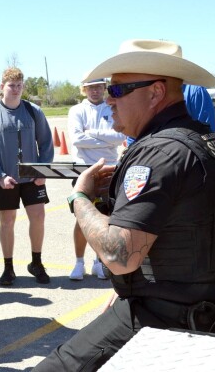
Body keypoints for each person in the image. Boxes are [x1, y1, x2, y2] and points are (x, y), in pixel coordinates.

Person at [33, 39, 215, 371]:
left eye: (118, 90)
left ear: (156, 92)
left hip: (167, 319)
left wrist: (80, 198)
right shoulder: (202, 141)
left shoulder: (158, 153)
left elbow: (120, 255)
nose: (108, 100)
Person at [0, 67, 54, 286]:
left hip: (32, 178)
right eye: (12, 85)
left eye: (19, 85)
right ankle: (8, 267)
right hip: (5, 180)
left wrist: (42, 171)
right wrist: (0, 176)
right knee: (7, 222)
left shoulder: (33, 111)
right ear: (2, 87)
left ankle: (36, 263)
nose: (16, 90)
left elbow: (46, 144)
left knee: (38, 217)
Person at [67, 78, 125, 281]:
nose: (95, 91)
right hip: (84, 170)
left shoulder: (111, 107)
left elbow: (119, 137)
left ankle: (99, 262)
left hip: (109, 169)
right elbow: (76, 139)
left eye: (99, 87)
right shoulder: (76, 111)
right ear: (84, 89)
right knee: (82, 218)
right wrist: (104, 139)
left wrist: (90, 133)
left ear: (104, 88)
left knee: (106, 217)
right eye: (91, 87)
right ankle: (79, 262)